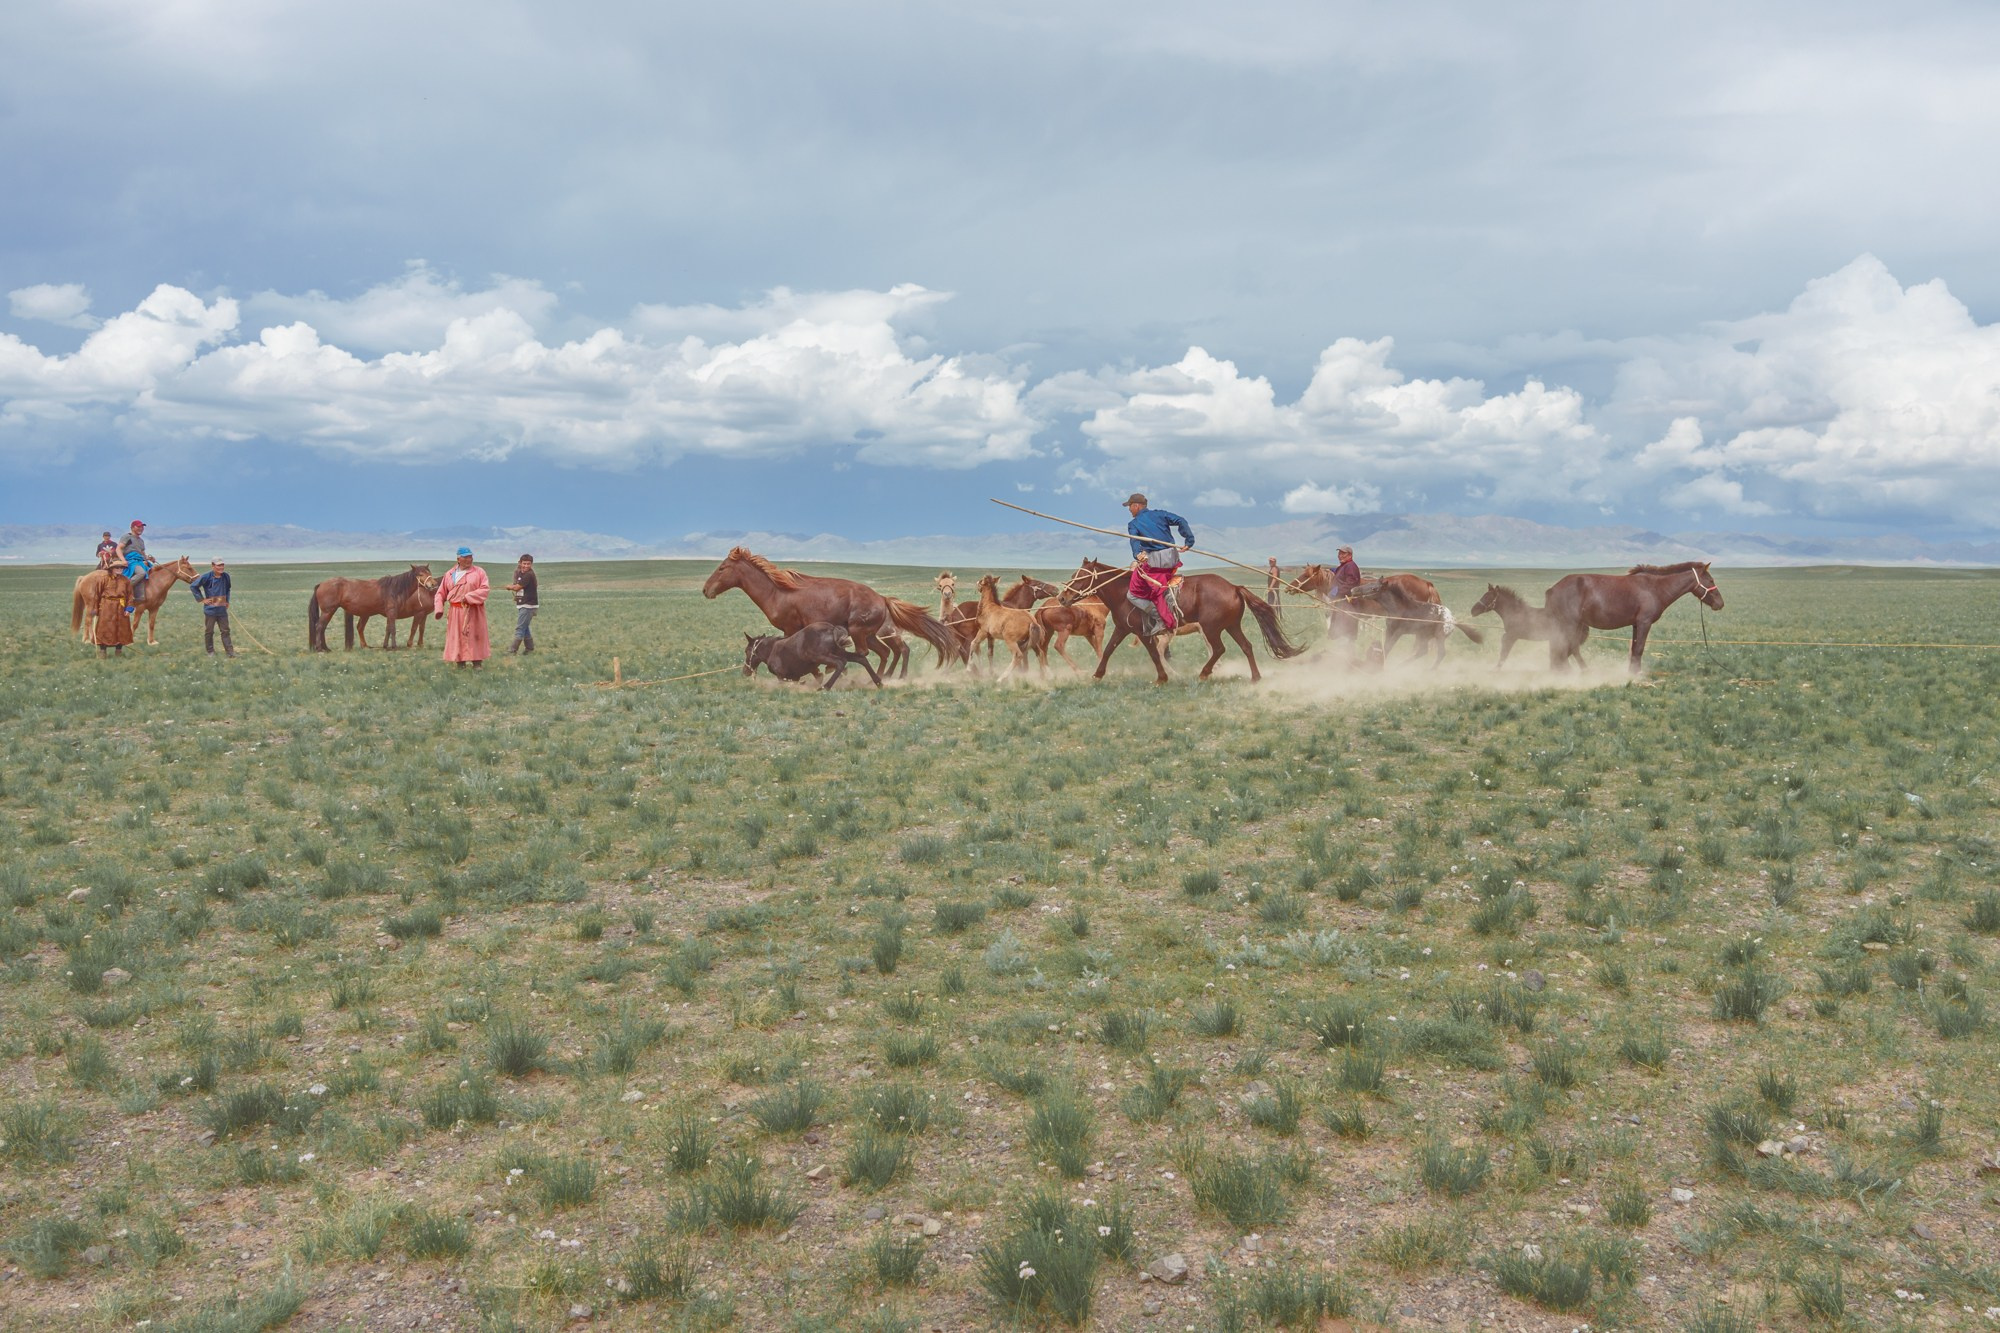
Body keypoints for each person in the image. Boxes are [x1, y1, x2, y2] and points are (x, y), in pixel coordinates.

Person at [1123, 493, 1193, 635]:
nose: (1129, 509)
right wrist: (1188, 540)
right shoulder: (1160, 514)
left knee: (1133, 594)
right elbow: (1181, 520)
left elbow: (1134, 541)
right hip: (1172, 558)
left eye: (1130, 506)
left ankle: (1160, 618)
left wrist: (1138, 554)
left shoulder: (1134, 524)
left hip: (1157, 564)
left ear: (1136, 506)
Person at [433, 547, 491, 668]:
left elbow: (485, 589)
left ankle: (477, 663)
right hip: (455, 611)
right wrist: (439, 609)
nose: (469, 559)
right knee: (457, 637)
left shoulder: (479, 572)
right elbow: (440, 593)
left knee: (475, 635)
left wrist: (469, 596)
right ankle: (460, 663)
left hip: (473, 610)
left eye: (470, 556)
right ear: (458, 559)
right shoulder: (449, 574)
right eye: (465, 557)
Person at [188, 559, 236, 658]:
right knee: (209, 631)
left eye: (222, 565)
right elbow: (193, 586)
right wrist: (202, 599)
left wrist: (227, 601)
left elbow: (228, 589)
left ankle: (230, 653)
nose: (221, 567)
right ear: (213, 566)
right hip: (210, 610)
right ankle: (210, 652)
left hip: (222, 609)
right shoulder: (206, 576)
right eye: (218, 566)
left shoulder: (226, 576)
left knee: (225, 631)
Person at [93, 570, 134, 657]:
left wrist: (128, 609)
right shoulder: (103, 579)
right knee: (104, 627)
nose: (119, 569)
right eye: (117, 567)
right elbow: (97, 595)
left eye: (121, 567)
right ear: (112, 569)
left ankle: (118, 652)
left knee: (121, 628)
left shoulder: (126, 580)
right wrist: (95, 609)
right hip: (106, 606)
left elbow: (130, 595)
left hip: (121, 606)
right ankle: (102, 652)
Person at [505, 553, 538, 655]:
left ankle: (512, 651)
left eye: (528, 564)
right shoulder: (520, 573)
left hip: (528, 605)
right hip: (523, 604)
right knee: (525, 628)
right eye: (524, 563)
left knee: (520, 628)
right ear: (520, 563)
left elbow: (516, 587)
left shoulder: (528, 575)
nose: (526, 566)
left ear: (531, 564)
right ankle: (529, 649)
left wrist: (509, 587)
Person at [118, 520, 153, 607]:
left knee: (152, 571)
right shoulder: (127, 537)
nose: (141, 528)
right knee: (141, 572)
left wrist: (148, 558)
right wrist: (123, 560)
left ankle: (139, 597)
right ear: (132, 528)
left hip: (139, 560)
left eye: (142, 527)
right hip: (130, 560)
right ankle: (125, 587)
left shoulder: (141, 541)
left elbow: (142, 553)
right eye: (138, 526)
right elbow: (118, 548)